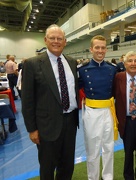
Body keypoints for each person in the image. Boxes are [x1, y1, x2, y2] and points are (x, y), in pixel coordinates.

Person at [21, 24, 79, 180]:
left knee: (67, 166)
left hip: (70, 122)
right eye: (52, 38)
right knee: (47, 168)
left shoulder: (72, 62)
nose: (56, 41)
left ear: (65, 41)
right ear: (45, 40)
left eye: (59, 38)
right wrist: (32, 129)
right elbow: (27, 100)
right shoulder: (32, 64)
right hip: (46, 126)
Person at [78, 35, 118, 180]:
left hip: (108, 111)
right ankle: (92, 177)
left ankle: (108, 177)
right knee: (92, 150)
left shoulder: (113, 69)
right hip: (92, 113)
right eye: (97, 47)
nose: (100, 51)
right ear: (91, 49)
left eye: (103, 48)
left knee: (109, 148)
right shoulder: (82, 70)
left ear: (106, 49)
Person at [114, 51, 136, 180]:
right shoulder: (118, 78)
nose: (133, 63)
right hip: (126, 121)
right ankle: (128, 177)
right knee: (128, 153)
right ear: (125, 63)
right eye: (130, 61)